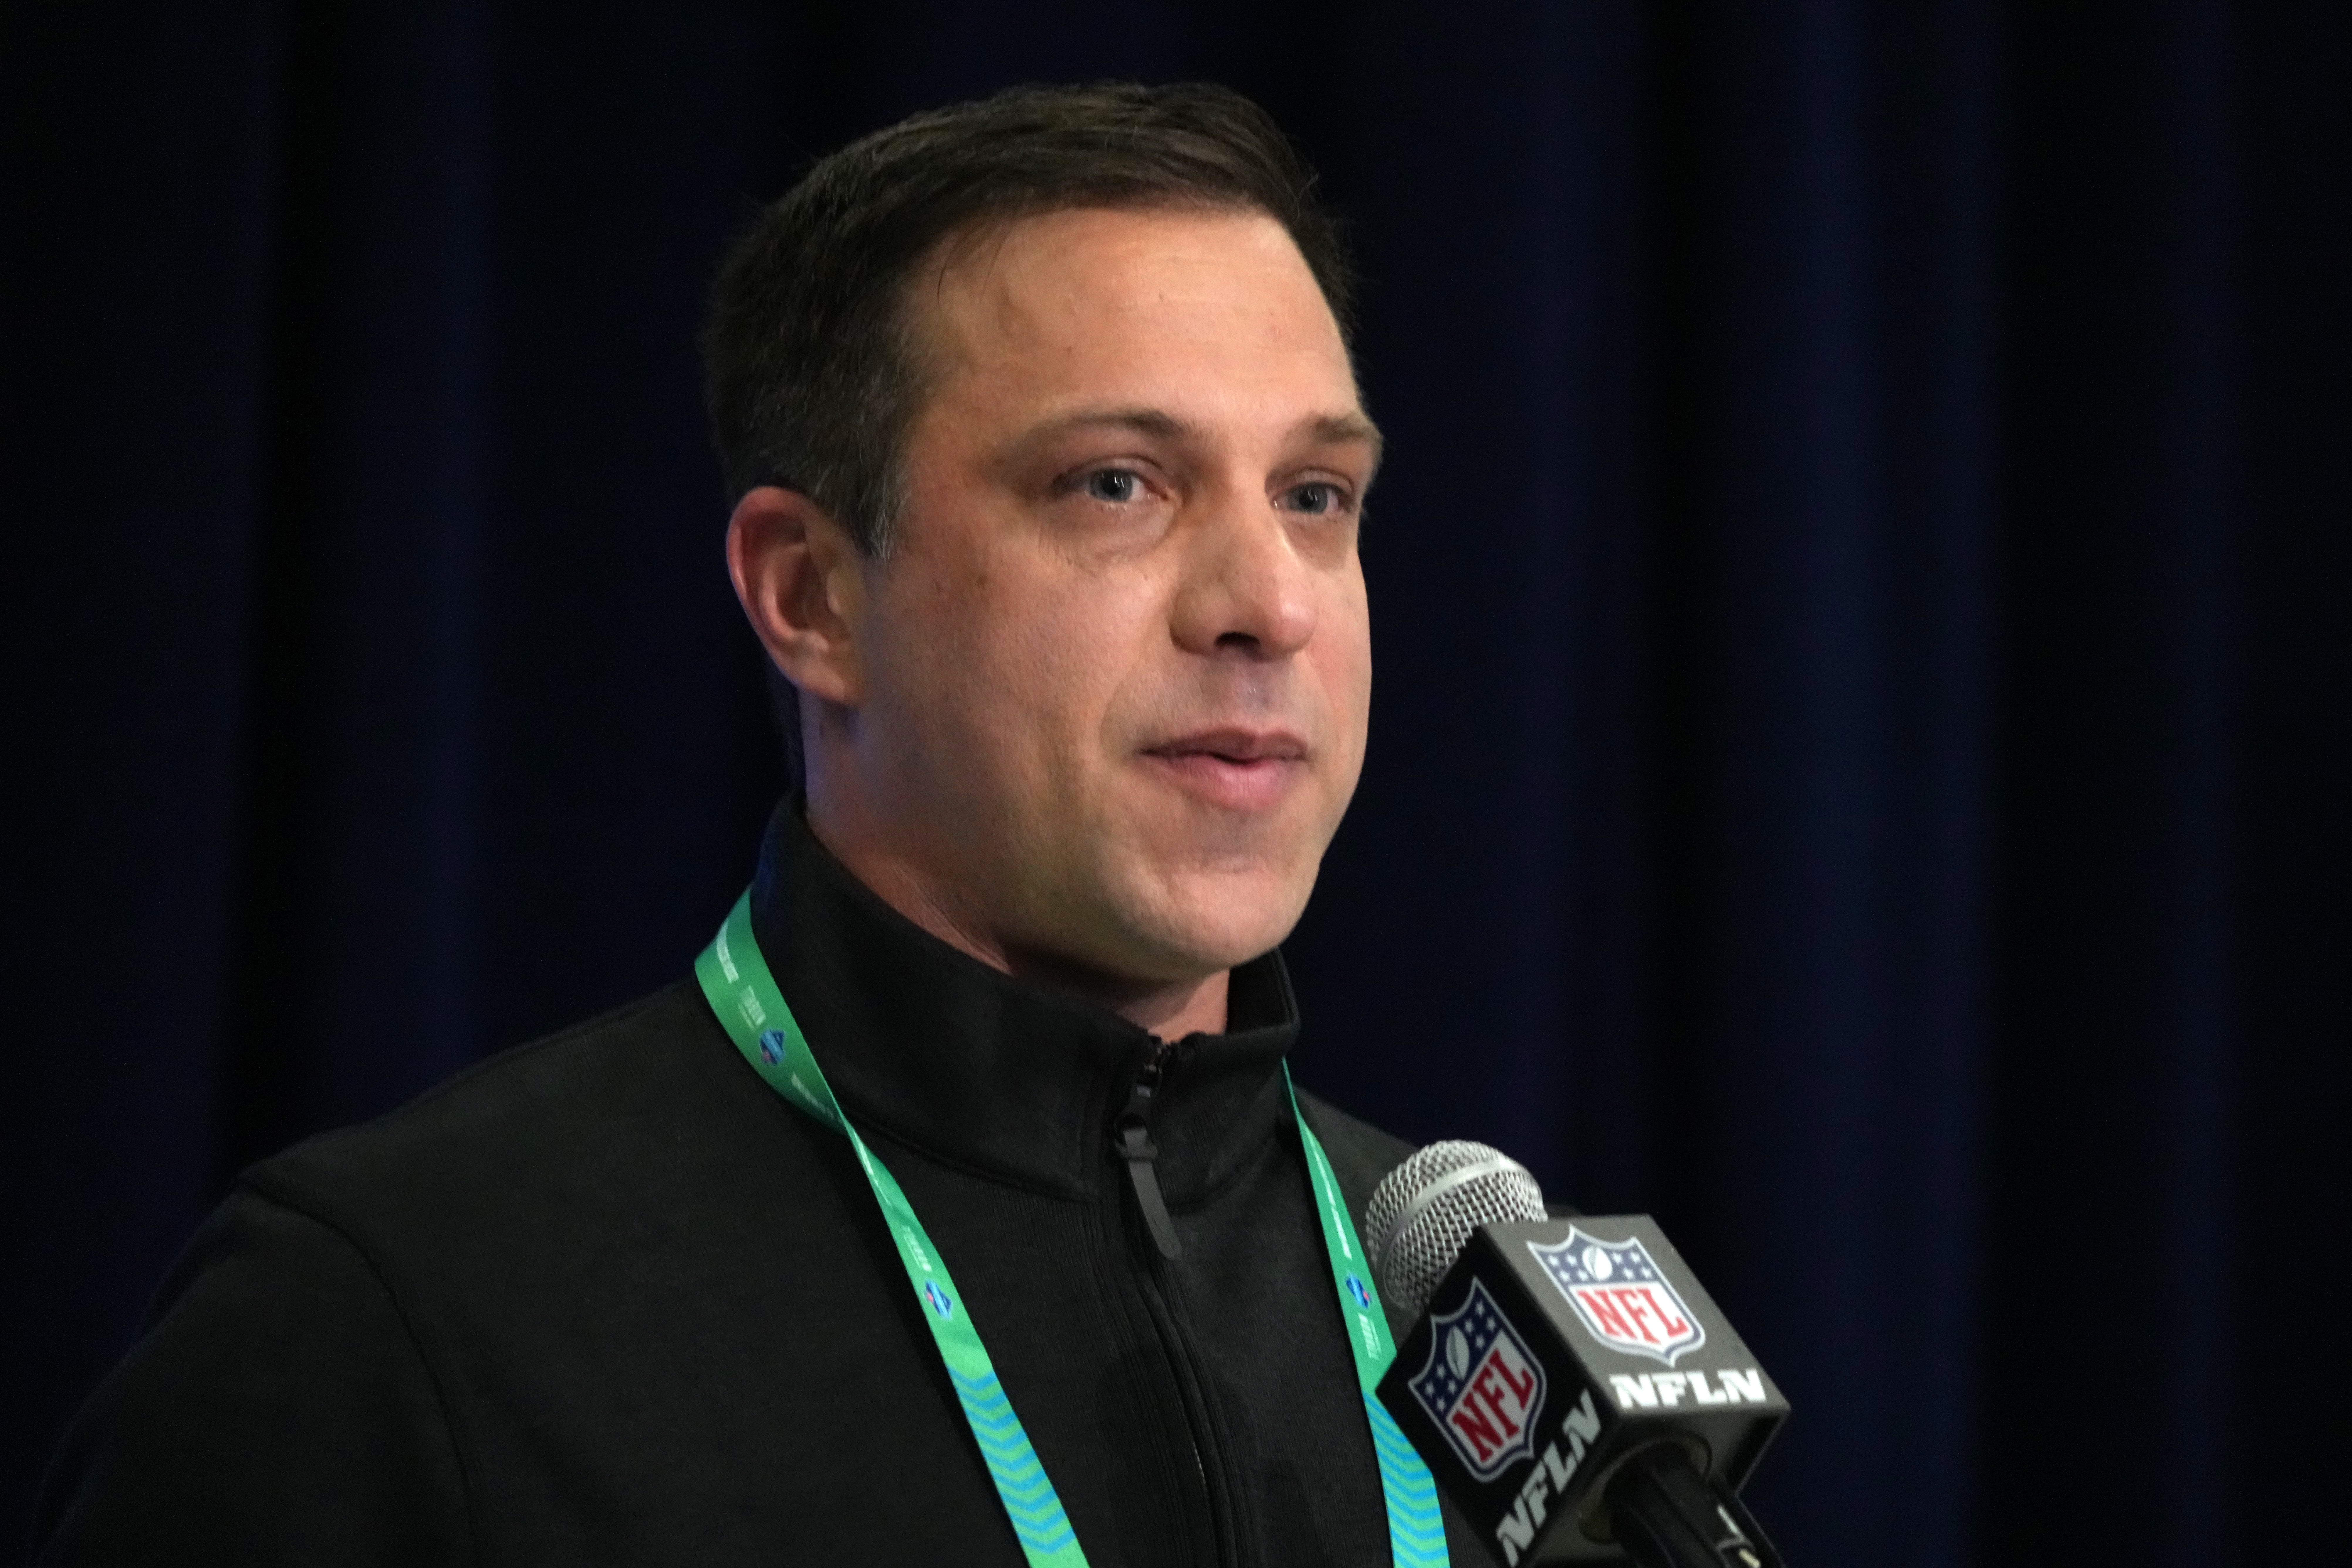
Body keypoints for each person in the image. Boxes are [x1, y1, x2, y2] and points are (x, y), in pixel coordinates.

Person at [33, 82, 1493, 1567]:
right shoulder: (393, 1322)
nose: (1269, 603)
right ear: (811, 596)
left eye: (1317, 495)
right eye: (1117, 484)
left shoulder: (1495, 1334)